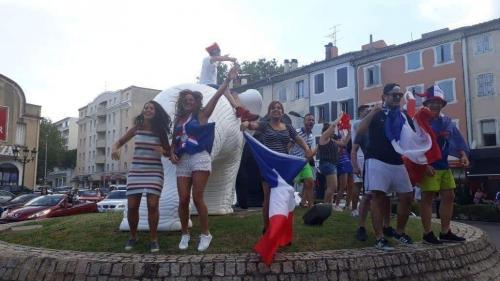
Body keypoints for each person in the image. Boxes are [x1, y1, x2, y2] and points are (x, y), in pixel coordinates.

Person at [171, 65, 239, 252]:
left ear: (196, 102)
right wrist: (171, 153)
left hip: (200, 157)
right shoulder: (178, 120)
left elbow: (217, 96)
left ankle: (205, 234)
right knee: (183, 199)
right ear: (182, 103)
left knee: (197, 197)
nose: (188, 102)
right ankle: (185, 233)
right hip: (183, 159)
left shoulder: (202, 115)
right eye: (186, 100)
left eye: (191, 100)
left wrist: (227, 80)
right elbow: (173, 141)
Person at [357, 83, 415, 251]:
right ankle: (379, 237)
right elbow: (360, 130)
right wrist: (373, 112)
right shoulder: (376, 113)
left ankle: (400, 232)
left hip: (397, 160)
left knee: (407, 196)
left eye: (399, 95)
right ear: (384, 97)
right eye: (393, 95)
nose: (397, 97)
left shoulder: (403, 115)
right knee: (378, 197)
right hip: (376, 159)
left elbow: (412, 137)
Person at [240, 101, 314, 233]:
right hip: (269, 168)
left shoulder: (288, 127)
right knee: (268, 199)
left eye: (279, 108)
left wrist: (307, 149)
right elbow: (253, 125)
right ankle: (267, 228)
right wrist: (246, 124)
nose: (276, 110)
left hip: (285, 169)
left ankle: (284, 230)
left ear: (282, 112)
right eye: (273, 108)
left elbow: (298, 139)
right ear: (269, 112)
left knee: (286, 199)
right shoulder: (265, 125)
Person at [112, 100, 172, 253]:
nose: (148, 110)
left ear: (156, 112)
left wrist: (163, 151)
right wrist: (115, 150)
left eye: (151, 108)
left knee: (152, 205)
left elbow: (169, 152)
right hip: (136, 171)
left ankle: (153, 239)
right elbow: (118, 142)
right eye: (146, 107)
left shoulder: (160, 131)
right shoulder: (136, 128)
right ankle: (133, 237)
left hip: (154, 172)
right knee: (132, 207)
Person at [416, 85, 470, 244]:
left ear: (442, 104)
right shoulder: (419, 121)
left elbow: (456, 139)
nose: (435, 105)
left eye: (438, 102)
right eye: (432, 102)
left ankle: (445, 231)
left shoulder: (447, 121)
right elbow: (413, 145)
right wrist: (424, 165)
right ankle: (427, 233)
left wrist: (463, 155)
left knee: (449, 196)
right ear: (426, 104)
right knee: (428, 197)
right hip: (429, 165)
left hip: (443, 165)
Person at [352, 105, 396, 241]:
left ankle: (386, 226)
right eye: (367, 110)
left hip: (385, 164)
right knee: (367, 196)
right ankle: (361, 227)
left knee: (387, 197)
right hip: (370, 164)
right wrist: (355, 165)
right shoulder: (361, 128)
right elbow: (354, 149)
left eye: (371, 109)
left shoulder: (381, 126)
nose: (370, 110)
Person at [200, 42, 258, 122]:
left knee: (234, 94)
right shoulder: (207, 59)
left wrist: (224, 57)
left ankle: (243, 112)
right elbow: (217, 58)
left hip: (212, 85)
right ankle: (238, 110)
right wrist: (230, 59)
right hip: (206, 85)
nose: (220, 53)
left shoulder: (213, 62)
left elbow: (217, 60)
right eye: (219, 51)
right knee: (224, 88)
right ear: (214, 52)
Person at [289, 113, 316, 208]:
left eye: (312, 120)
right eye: (309, 120)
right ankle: (289, 203)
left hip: (304, 162)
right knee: (290, 184)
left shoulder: (312, 136)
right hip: (294, 160)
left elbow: (309, 152)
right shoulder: (297, 132)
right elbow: (289, 145)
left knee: (310, 182)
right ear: (304, 121)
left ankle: (311, 206)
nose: (311, 122)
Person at [317, 115, 343, 211]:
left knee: (331, 187)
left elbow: (343, 143)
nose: (333, 130)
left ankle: (328, 206)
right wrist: (340, 116)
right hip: (327, 164)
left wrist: (349, 131)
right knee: (332, 187)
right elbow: (332, 126)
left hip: (332, 165)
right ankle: (325, 206)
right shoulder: (323, 137)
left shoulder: (331, 140)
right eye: (331, 129)